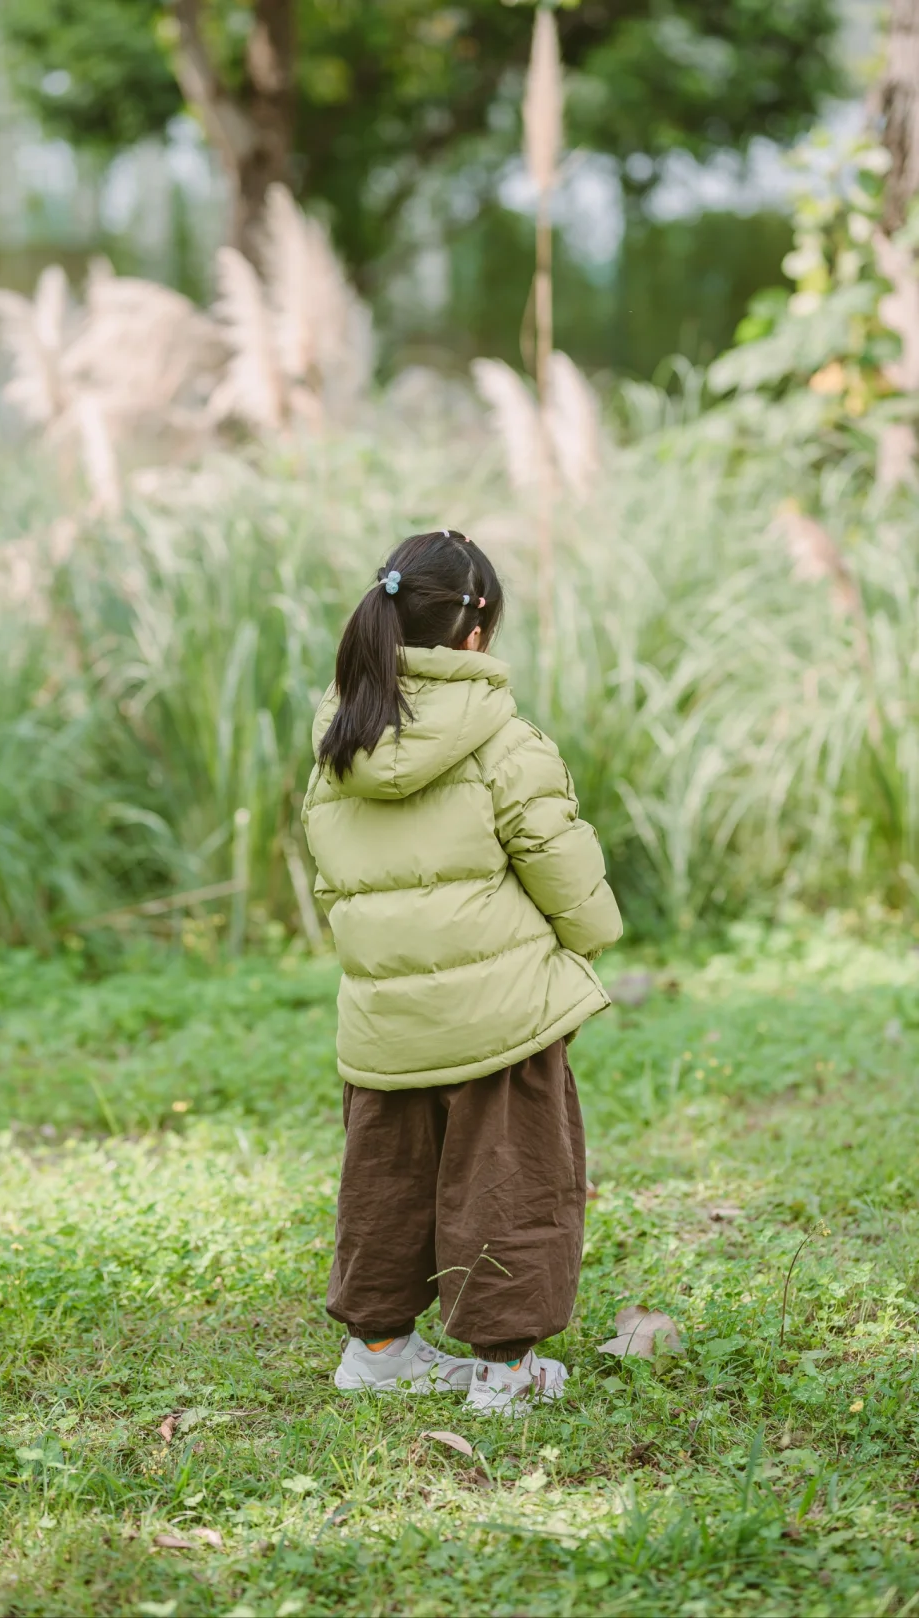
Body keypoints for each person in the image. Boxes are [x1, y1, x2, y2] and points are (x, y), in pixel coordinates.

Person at [301, 529, 622, 1416]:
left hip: (385, 1021)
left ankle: (377, 1350)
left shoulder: (341, 740)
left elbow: (334, 880)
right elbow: (559, 864)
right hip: (500, 1018)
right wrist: (590, 936)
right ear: (475, 636)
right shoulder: (504, 740)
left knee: (385, 1186)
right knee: (511, 1183)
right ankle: (507, 1375)